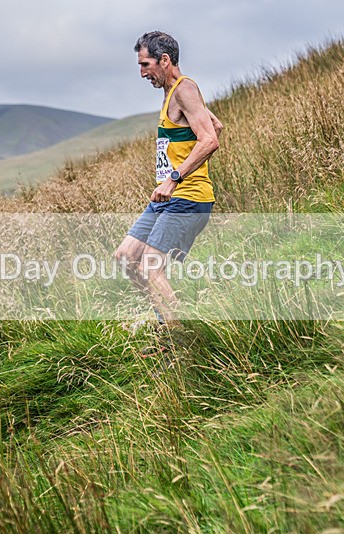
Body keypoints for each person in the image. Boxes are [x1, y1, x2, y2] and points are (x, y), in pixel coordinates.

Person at [114, 31, 223, 341]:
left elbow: (210, 139)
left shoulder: (185, 89)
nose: (142, 72)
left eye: (146, 64)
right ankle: (166, 321)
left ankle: (179, 342)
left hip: (186, 196)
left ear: (164, 60)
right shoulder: (174, 92)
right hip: (166, 199)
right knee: (125, 257)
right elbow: (215, 125)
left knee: (150, 267)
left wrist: (174, 178)